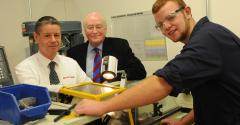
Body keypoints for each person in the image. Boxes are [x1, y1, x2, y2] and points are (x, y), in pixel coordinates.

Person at [73, 0, 240, 125]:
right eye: (160, 24)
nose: (166, 26)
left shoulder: (207, 39)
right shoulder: (204, 38)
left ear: (187, 12)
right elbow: (210, 98)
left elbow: (162, 83)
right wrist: (184, 122)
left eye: (171, 17)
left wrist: (102, 107)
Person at [15, 16, 92, 93]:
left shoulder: (71, 63)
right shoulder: (24, 68)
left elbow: (90, 87)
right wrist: (65, 89)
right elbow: (34, 92)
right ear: (36, 37)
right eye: (47, 36)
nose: (53, 40)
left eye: (56, 35)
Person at [67, 12, 146, 82]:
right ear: (85, 30)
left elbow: (140, 72)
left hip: (113, 96)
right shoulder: (74, 53)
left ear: (105, 29)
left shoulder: (120, 46)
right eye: (90, 27)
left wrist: (112, 78)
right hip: (85, 97)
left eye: (98, 27)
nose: (94, 31)